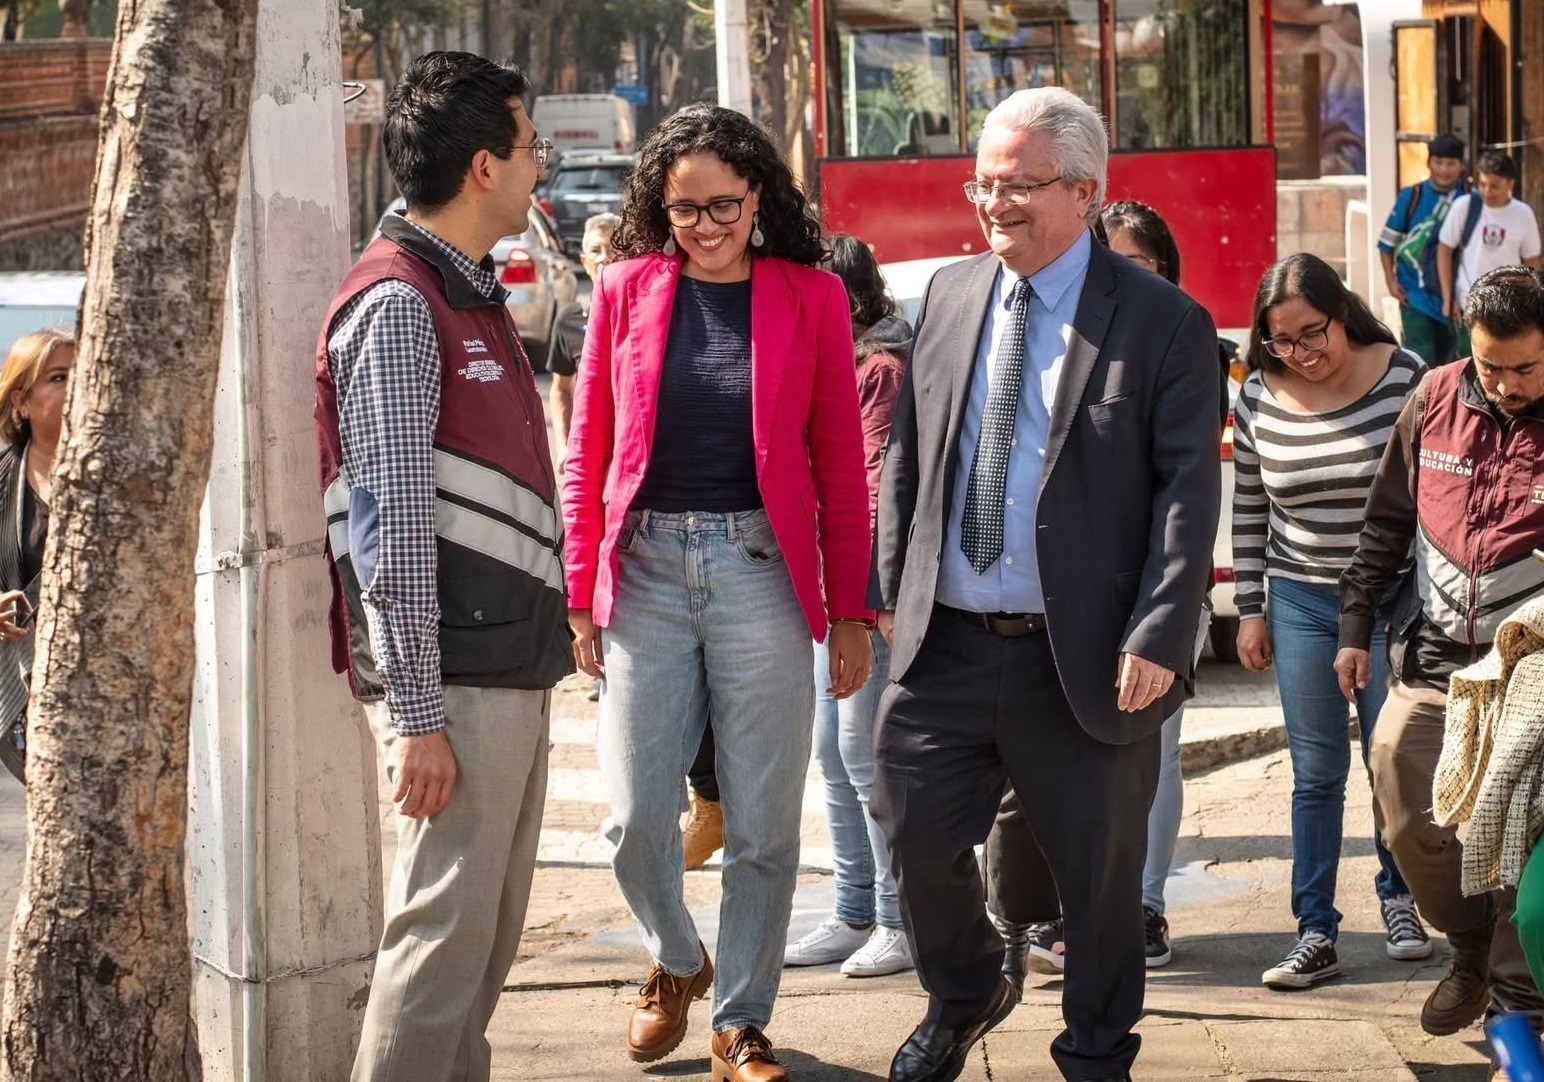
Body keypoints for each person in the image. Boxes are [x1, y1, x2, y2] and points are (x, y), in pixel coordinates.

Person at [870, 87, 1220, 1082]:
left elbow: (1186, 492)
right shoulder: (944, 296)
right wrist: (891, 587)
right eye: (983, 181)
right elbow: (908, 457)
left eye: (1018, 185)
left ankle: (1096, 1050)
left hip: (1090, 653)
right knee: (910, 831)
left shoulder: (1160, 322)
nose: (994, 203)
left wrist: (1159, 628)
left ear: (1082, 189)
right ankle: (965, 986)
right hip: (945, 641)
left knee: (1100, 883)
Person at [562, 103, 873, 1082]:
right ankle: (675, 956)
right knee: (630, 815)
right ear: (660, 205)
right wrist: (579, 592)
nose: (703, 225)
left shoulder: (809, 296)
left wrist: (851, 608)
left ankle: (741, 1019)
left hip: (760, 571)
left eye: (723, 206)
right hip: (644, 568)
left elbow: (837, 463)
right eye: (683, 207)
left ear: (758, 199)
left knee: (765, 821)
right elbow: (586, 449)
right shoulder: (621, 290)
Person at [312, 52, 572, 1081]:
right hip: (454, 685)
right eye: (528, 140)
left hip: (499, 665)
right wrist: (417, 713)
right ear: (480, 165)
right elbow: (390, 523)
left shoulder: (456, 288)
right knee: (435, 959)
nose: (540, 162)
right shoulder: (400, 303)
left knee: (476, 951)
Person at [983, 200, 1229, 983]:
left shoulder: (1183, 339)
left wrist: (1161, 619)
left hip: (1154, 594)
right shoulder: (1052, 341)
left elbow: (1188, 491)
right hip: (1060, 601)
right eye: (1108, 261)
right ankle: (1051, 911)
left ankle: (1139, 907)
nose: (1119, 279)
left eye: (1141, 264)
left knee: (1144, 758)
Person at [1338, 265, 1544, 1044]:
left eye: (1525, 367)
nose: (1507, 383)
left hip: (1531, 677)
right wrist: (1354, 626)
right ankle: (1467, 947)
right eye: (1492, 364)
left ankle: (1515, 998)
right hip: (1431, 663)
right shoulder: (1434, 399)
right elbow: (1386, 523)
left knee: (1524, 839)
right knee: (1400, 796)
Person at [1230, 252, 1431, 991]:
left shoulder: (1402, 375)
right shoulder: (1255, 396)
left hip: (1392, 602)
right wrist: (1251, 608)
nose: (1300, 355)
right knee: (1316, 773)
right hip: (1301, 600)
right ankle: (1315, 929)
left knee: (1391, 764)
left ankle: (1400, 898)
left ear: (1340, 313)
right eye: (1280, 342)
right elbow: (1249, 505)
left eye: (1311, 335)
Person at [783, 233, 912, 979]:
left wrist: (866, 605)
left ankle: (898, 921)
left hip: (863, 602)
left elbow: (874, 496)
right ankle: (853, 909)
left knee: (867, 761)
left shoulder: (878, 372)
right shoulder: (832, 366)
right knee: (834, 758)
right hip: (826, 595)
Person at [0, 328, 74, 784]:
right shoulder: (3, 482)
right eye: (59, 378)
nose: (78, 387)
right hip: (35, 689)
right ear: (21, 402)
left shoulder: (117, 473)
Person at [1437, 150, 1543, 360]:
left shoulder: (1523, 214)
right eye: (1482, 184)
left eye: (1494, 185)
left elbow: (1532, 260)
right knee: (1468, 364)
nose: (1487, 191)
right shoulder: (1464, 207)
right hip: (1468, 302)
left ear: (1510, 184)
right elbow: (1444, 250)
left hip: (1509, 306)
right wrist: (1449, 298)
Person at [1378, 132, 1467, 365]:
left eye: (1451, 163)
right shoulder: (1412, 195)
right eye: (1438, 162)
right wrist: (1390, 281)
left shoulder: (1471, 199)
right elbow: (1386, 244)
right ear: (1429, 163)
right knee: (1421, 363)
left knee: (1457, 366)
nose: (1444, 169)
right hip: (1415, 296)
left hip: (1459, 300)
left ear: (1461, 165)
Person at [549, 210, 619, 464]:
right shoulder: (569, 320)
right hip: (592, 456)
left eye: (613, 249)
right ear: (584, 260)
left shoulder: (650, 314)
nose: (605, 258)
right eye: (596, 251)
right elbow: (561, 389)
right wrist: (563, 445)